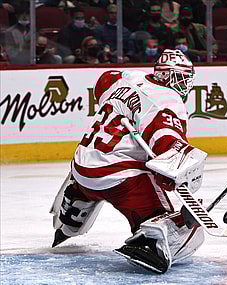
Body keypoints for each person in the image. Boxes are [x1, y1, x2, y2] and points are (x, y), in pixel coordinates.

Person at [50, 49, 206, 274]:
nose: (183, 86)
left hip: (82, 169)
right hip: (121, 182)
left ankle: (74, 208)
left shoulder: (127, 78)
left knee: (94, 171)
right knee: (190, 232)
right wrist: (180, 169)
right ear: (165, 76)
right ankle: (152, 242)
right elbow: (167, 141)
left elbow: (104, 81)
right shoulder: (168, 100)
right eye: (180, 78)